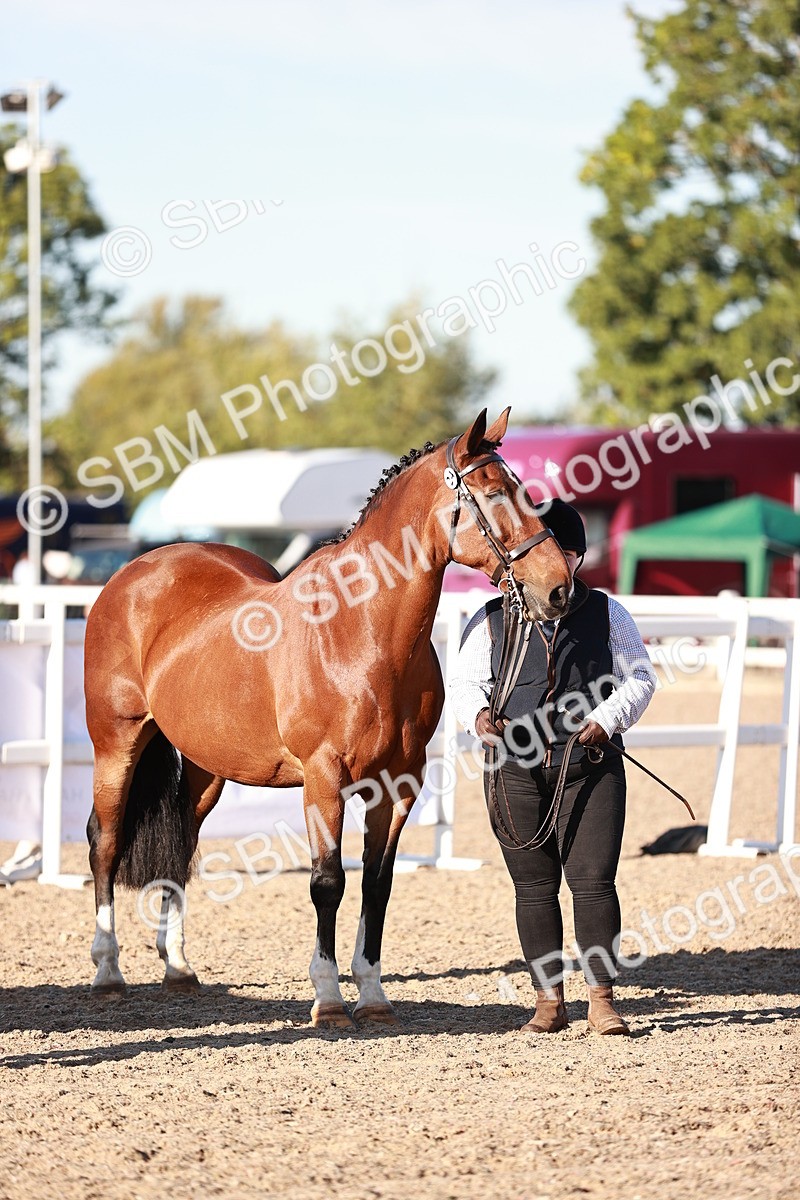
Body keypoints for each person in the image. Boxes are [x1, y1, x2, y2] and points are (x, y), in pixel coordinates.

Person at [448, 499, 656, 1036]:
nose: (546, 562)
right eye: (537, 551)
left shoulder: (608, 613)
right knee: (533, 889)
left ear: (576, 557)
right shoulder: (491, 617)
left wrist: (605, 722)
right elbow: (466, 682)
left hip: (589, 764)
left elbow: (638, 678)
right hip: (514, 768)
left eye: (558, 552)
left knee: (593, 884)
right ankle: (547, 1000)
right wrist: (478, 716)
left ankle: (602, 999)